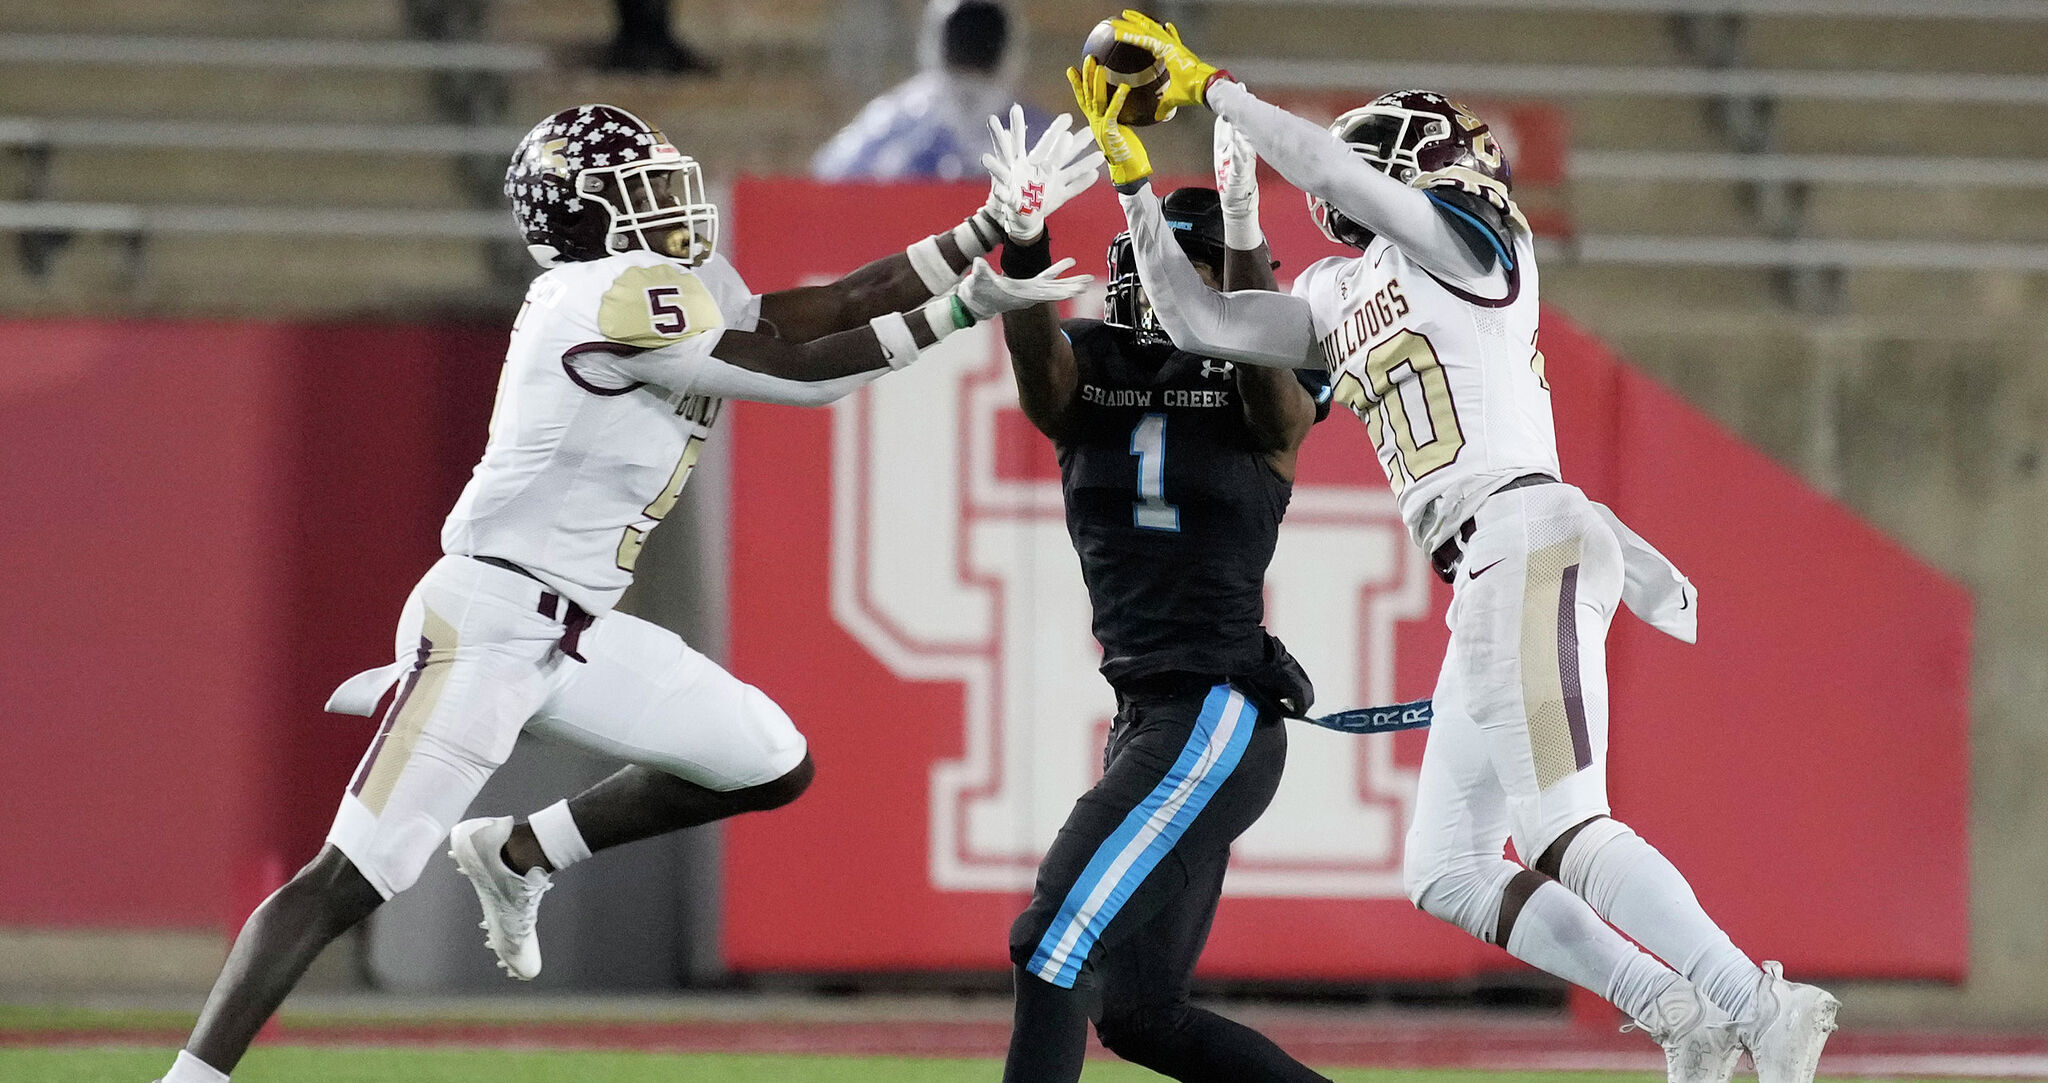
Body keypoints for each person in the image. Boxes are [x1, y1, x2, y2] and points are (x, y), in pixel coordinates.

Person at [149, 102, 1088, 1083]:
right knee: (346, 880)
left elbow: (836, 305)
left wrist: (986, 227)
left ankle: (520, 852)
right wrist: (962, 309)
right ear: (579, 214)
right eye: (639, 188)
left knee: (768, 761)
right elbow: (802, 371)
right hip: (490, 621)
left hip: (576, 629)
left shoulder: (669, 285)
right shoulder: (595, 293)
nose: (670, 201)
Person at [1069, 16, 1841, 1083]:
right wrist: (1131, 183)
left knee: (1565, 831)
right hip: (1488, 566)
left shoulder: (1478, 247)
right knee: (1447, 867)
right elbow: (1201, 322)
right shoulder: (1339, 290)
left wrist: (1217, 92)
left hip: (1523, 532)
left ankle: (1757, 1003)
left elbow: (1333, 171)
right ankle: (1680, 1014)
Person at [986, 102, 1334, 1083]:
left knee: (1050, 942)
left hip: (1213, 713)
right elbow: (1038, 366)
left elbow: (1272, 391)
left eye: (1179, 268)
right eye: (1144, 261)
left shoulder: (1262, 384)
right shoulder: (1090, 366)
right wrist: (1024, 243)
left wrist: (1242, 238)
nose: (1149, 280)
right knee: (1140, 1014)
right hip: (1150, 710)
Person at [812, 0, 1043, 181]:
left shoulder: (1035, 135)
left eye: (983, 35)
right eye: (963, 34)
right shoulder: (894, 125)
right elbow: (828, 183)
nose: (972, 44)